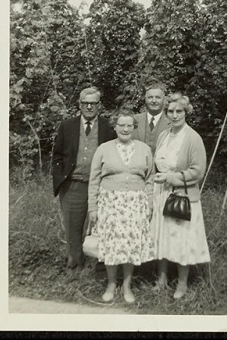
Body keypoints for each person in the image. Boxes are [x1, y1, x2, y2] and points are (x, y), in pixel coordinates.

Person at [88, 109, 155, 303]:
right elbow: (94, 180)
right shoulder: (103, 148)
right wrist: (93, 207)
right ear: (115, 127)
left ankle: (126, 285)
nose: (125, 129)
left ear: (134, 128)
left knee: (130, 244)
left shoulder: (144, 149)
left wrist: (149, 204)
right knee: (111, 244)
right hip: (110, 203)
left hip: (136, 203)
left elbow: (149, 179)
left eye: (129, 125)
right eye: (121, 125)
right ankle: (111, 283)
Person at [151, 93, 210, 299]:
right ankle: (161, 279)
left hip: (181, 196)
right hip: (161, 194)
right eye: (171, 111)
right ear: (166, 113)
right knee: (162, 236)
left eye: (179, 111)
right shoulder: (163, 136)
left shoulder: (193, 138)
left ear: (186, 112)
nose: (174, 115)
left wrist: (171, 177)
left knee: (181, 240)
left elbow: (197, 171)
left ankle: (182, 284)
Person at [51, 86, 116, 270]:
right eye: (85, 103)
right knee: (73, 226)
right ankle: (75, 264)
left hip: (100, 185)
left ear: (99, 105)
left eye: (93, 103)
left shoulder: (107, 127)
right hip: (74, 184)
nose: (89, 107)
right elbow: (57, 156)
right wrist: (60, 177)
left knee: (102, 223)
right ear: (79, 105)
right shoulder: (67, 125)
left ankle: (101, 266)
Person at [132, 83, 171, 156]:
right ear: (145, 99)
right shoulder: (134, 120)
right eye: (150, 97)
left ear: (164, 99)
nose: (154, 100)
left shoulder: (171, 123)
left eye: (158, 97)